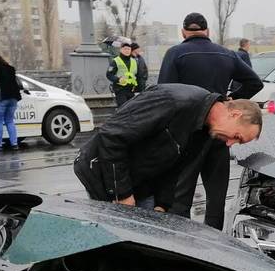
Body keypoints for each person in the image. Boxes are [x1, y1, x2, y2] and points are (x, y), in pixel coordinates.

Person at [73, 85, 262, 212]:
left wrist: (162, 204)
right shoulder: (173, 102)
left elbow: (174, 167)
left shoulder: (204, 129)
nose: (229, 144)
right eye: (237, 137)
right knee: (116, 244)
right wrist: (122, 194)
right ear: (234, 114)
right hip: (102, 172)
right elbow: (112, 137)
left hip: (140, 182)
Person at [157, 13, 264, 229]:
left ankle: (181, 244)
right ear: (207, 31)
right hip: (221, 133)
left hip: (186, 135)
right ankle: (215, 248)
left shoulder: (175, 54)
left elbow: (163, 93)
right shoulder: (227, 54)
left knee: (180, 196)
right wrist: (231, 100)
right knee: (216, 198)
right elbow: (255, 83)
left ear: (183, 32)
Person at [107, 42, 140, 108]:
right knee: (123, 109)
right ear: (121, 50)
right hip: (120, 89)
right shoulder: (116, 61)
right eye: (125, 49)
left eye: (128, 49)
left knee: (132, 109)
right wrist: (118, 79)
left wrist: (139, 87)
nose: (127, 51)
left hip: (131, 90)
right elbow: (109, 74)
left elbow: (137, 75)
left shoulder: (134, 61)